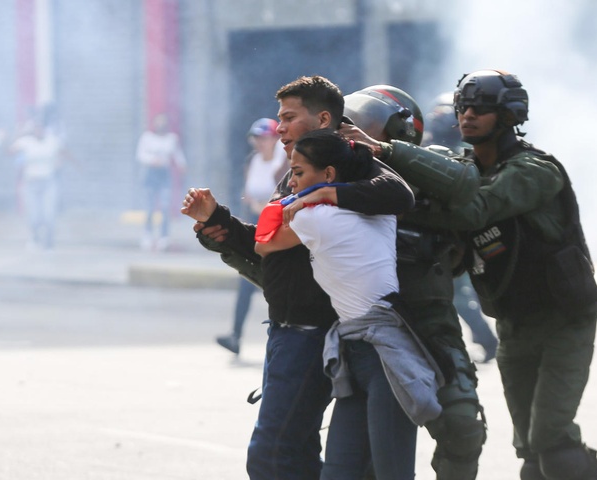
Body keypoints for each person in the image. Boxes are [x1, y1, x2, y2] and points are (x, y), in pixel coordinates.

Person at [367, 70, 597, 480]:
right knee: (532, 454)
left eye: (481, 108)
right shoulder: (462, 168)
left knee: (552, 443)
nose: (467, 116)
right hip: (515, 322)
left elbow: (475, 210)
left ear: (508, 115)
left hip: (563, 319)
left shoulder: (535, 170)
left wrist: (395, 174)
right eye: (464, 107)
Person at [180, 75, 415, 480]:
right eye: (279, 118)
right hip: (285, 332)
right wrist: (216, 223)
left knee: (274, 456)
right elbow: (266, 243)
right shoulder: (295, 174)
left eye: (289, 117)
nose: (280, 127)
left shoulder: (346, 165)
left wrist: (327, 193)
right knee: (292, 451)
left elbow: (398, 193)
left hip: (314, 333)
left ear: (323, 118)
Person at [255, 129, 443, 479]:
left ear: (328, 174)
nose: (291, 184)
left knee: (391, 474)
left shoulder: (316, 219)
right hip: (356, 351)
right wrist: (327, 192)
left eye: (297, 174)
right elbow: (392, 190)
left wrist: (311, 199)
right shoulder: (380, 210)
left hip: (382, 356)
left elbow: (263, 244)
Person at [334, 85, 488, 479]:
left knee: (462, 427)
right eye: (351, 122)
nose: (355, 133)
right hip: (366, 328)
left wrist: (386, 153)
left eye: (368, 125)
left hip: (430, 323)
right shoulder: (336, 175)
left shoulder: (427, 165)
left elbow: (464, 184)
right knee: (362, 453)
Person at [422, 94, 499, 364]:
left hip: (452, 240)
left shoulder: (463, 158)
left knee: (460, 297)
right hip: (440, 239)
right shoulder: (425, 151)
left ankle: (486, 342)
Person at [216, 118, 286, 356]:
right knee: (246, 282)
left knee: (277, 286)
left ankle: (281, 338)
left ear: (275, 139)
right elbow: (248, 196)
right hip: (257, 231)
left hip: (279, 233)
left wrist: (263, 207)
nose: (260, 143)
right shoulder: (253, 162)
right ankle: (235, 336)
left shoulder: (284, 163)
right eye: (257, 138)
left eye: (264, 138)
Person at [9, 119, 74, 250]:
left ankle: (49, 240)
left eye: (41, 128)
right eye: (36, 128)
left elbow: (64, 152)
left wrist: (73, 164)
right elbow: (10, 151)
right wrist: (18, 134)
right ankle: (34, 236)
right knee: (33, 214)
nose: (39, 131)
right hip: (31, 183)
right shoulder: (26, 142)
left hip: (48, 183)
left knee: (49, 213)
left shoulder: (52, 141)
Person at [136, 112, 187, 252]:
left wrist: (182, 165)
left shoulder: (171, 139)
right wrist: (153, 160)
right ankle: (148, 235)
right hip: (150, 174)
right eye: (158, 122)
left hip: (164, 174)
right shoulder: (147, 138)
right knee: (150, 206)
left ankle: (164, 236)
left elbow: (177, 154)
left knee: (165, 206)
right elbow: (140, 155)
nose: (161, 125)